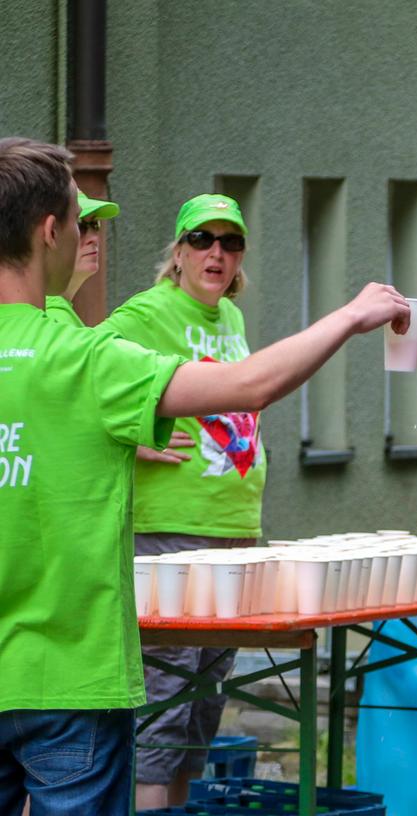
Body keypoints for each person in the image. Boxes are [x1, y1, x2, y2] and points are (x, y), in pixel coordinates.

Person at [0, 138, 408, 816]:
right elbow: (248, 386)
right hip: (69, 684)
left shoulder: (88, 349)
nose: (86, 237)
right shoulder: (87, 358)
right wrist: (349, 315)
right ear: (50, 232)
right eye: (80, 222)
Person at [97, 194, 271, 808]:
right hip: (170, 531)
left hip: (233, 529)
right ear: (177, 251)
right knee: (163, 710)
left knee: (203, 707)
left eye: (230, 242)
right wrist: (130, 438)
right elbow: (81, 380)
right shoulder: (148, 312)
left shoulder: (231, 319)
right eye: (203, 240)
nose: (217, 253)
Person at [44, 190, 118, 328]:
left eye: (95, 224)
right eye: (80, 225)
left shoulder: (54, 310)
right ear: (49, 233)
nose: (94, 238)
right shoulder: (53, 317)